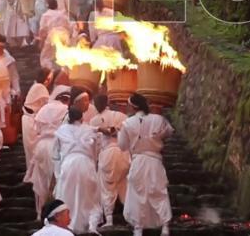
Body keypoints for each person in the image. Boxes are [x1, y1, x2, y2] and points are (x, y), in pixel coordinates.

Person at [118, 93, 173, 236]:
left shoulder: (127, 123)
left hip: (139, 161)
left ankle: (138, 227)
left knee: (138, 193)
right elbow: (168, 132)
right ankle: (165, 226)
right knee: (159, 192)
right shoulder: (158, 119)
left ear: (133, 106)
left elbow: (122, 146)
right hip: (155, 160)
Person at [53, 108, 103, 234]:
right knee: (89, 198)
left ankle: (68, 226)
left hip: (68, 164)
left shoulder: (62, 130)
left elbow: (56, 154)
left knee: (68, 196)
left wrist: (58, 174)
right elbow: (95, 151)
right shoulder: (88, 129)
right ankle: (91, 226)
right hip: (86, 164)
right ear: (82, 118)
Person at [30, 90, 73, 219]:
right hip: (55, 146)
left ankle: (39, 213)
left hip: (41, 145)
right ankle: (53, 213)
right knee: (54, 179)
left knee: (40, 179)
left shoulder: (44, 108)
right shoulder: (66, 109)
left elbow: (35, 129)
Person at [90, 94, 130, 228]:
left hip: (107, 154)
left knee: (107, 188)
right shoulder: (121, 116)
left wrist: (94, 160)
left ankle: (109, 219)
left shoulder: (94, 121)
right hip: (123, 154)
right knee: (124, 185)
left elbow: (94, 144)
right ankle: (131, 217)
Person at [23, 72, 53, 183]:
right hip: (31, 121)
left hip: (30, 119)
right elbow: (48, 105)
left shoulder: (37, 87)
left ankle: (34, 175)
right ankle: (34, 176)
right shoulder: (40, 87)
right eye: (49, 77)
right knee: (33, 150)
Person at [38, 0, 74, 70]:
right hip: (64, 34)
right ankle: (65, 70)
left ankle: (49, 71)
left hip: (53, 34)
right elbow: (70, 26)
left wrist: (41, 42)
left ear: (47, 6)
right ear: (57, 6)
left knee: (46, 56)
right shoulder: (63, 14)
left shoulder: (46, 15)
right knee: (65, 54)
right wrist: (70, 36)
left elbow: (42, 30)